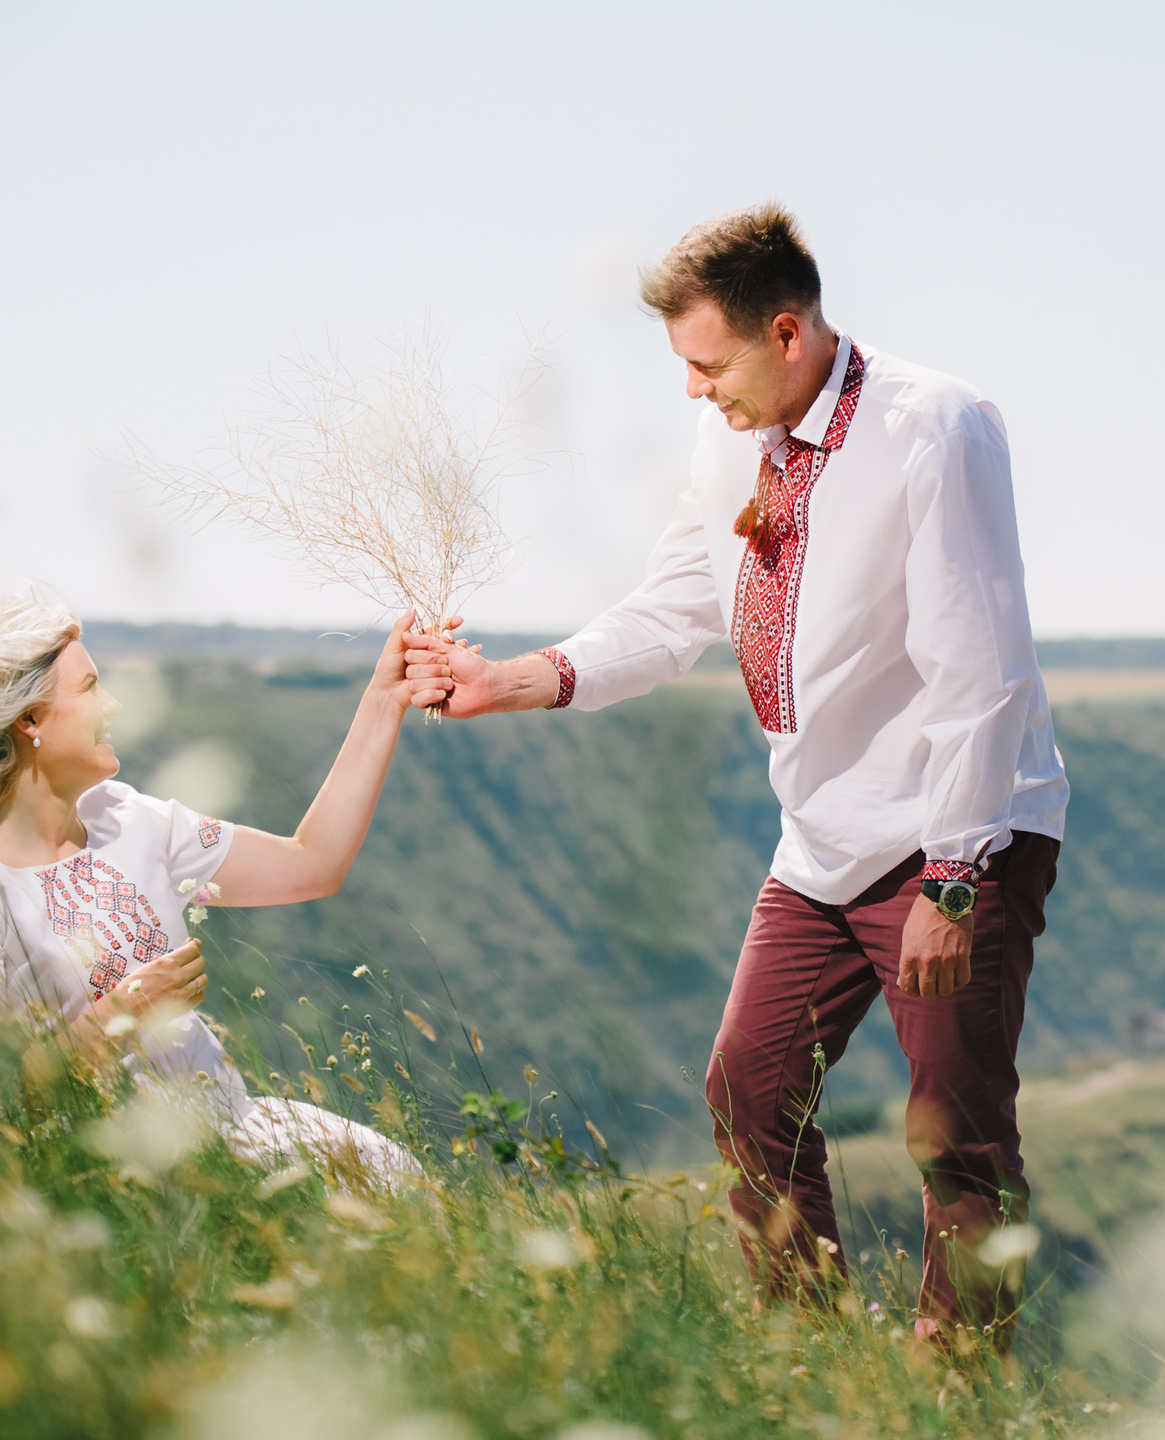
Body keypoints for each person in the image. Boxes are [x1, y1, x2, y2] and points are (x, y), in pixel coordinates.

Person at [405, 205, 1068, 1338]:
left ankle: (959, 1397)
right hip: (817, 845)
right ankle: (812, 1360)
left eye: (707, 364)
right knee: (749, 1097)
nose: (693, 391)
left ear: (786, 333)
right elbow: (675, 607)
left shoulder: (934, 429)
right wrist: (510, 680)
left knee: (955, 1140)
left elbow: (982, 667)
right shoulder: (732, 434)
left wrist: (956, 881)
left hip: (952, 839)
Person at [0, 588, 452, 1186]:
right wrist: (123, 1010)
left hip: (233, 1131)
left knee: (398, 1177)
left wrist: (384, 699)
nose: (110, 704)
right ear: (28, 718)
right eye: (89, 689)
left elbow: (312, 863)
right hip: (112, 1174)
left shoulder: (130, 819)